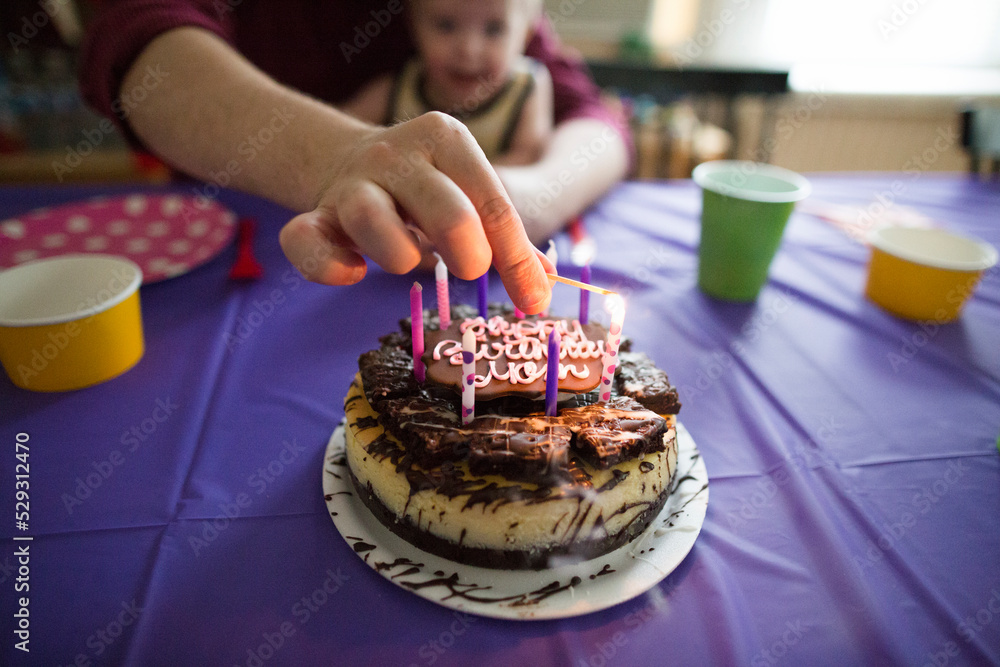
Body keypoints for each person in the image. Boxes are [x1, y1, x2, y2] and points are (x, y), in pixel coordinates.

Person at [79, 1, 631, 314]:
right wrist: (337, 156)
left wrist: (528, 195)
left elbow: (594, 118)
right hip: (219, 265)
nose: (468, 48)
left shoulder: (512, 47)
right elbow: (135, 36)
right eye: (443, 27)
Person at [343, 0, 553, 167]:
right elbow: (343, 131)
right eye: (446, 25)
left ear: (525, 35)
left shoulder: (527, 87)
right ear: (414, 27)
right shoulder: (399, 87)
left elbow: (530, 156)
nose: (469, 49)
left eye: (494, 29)